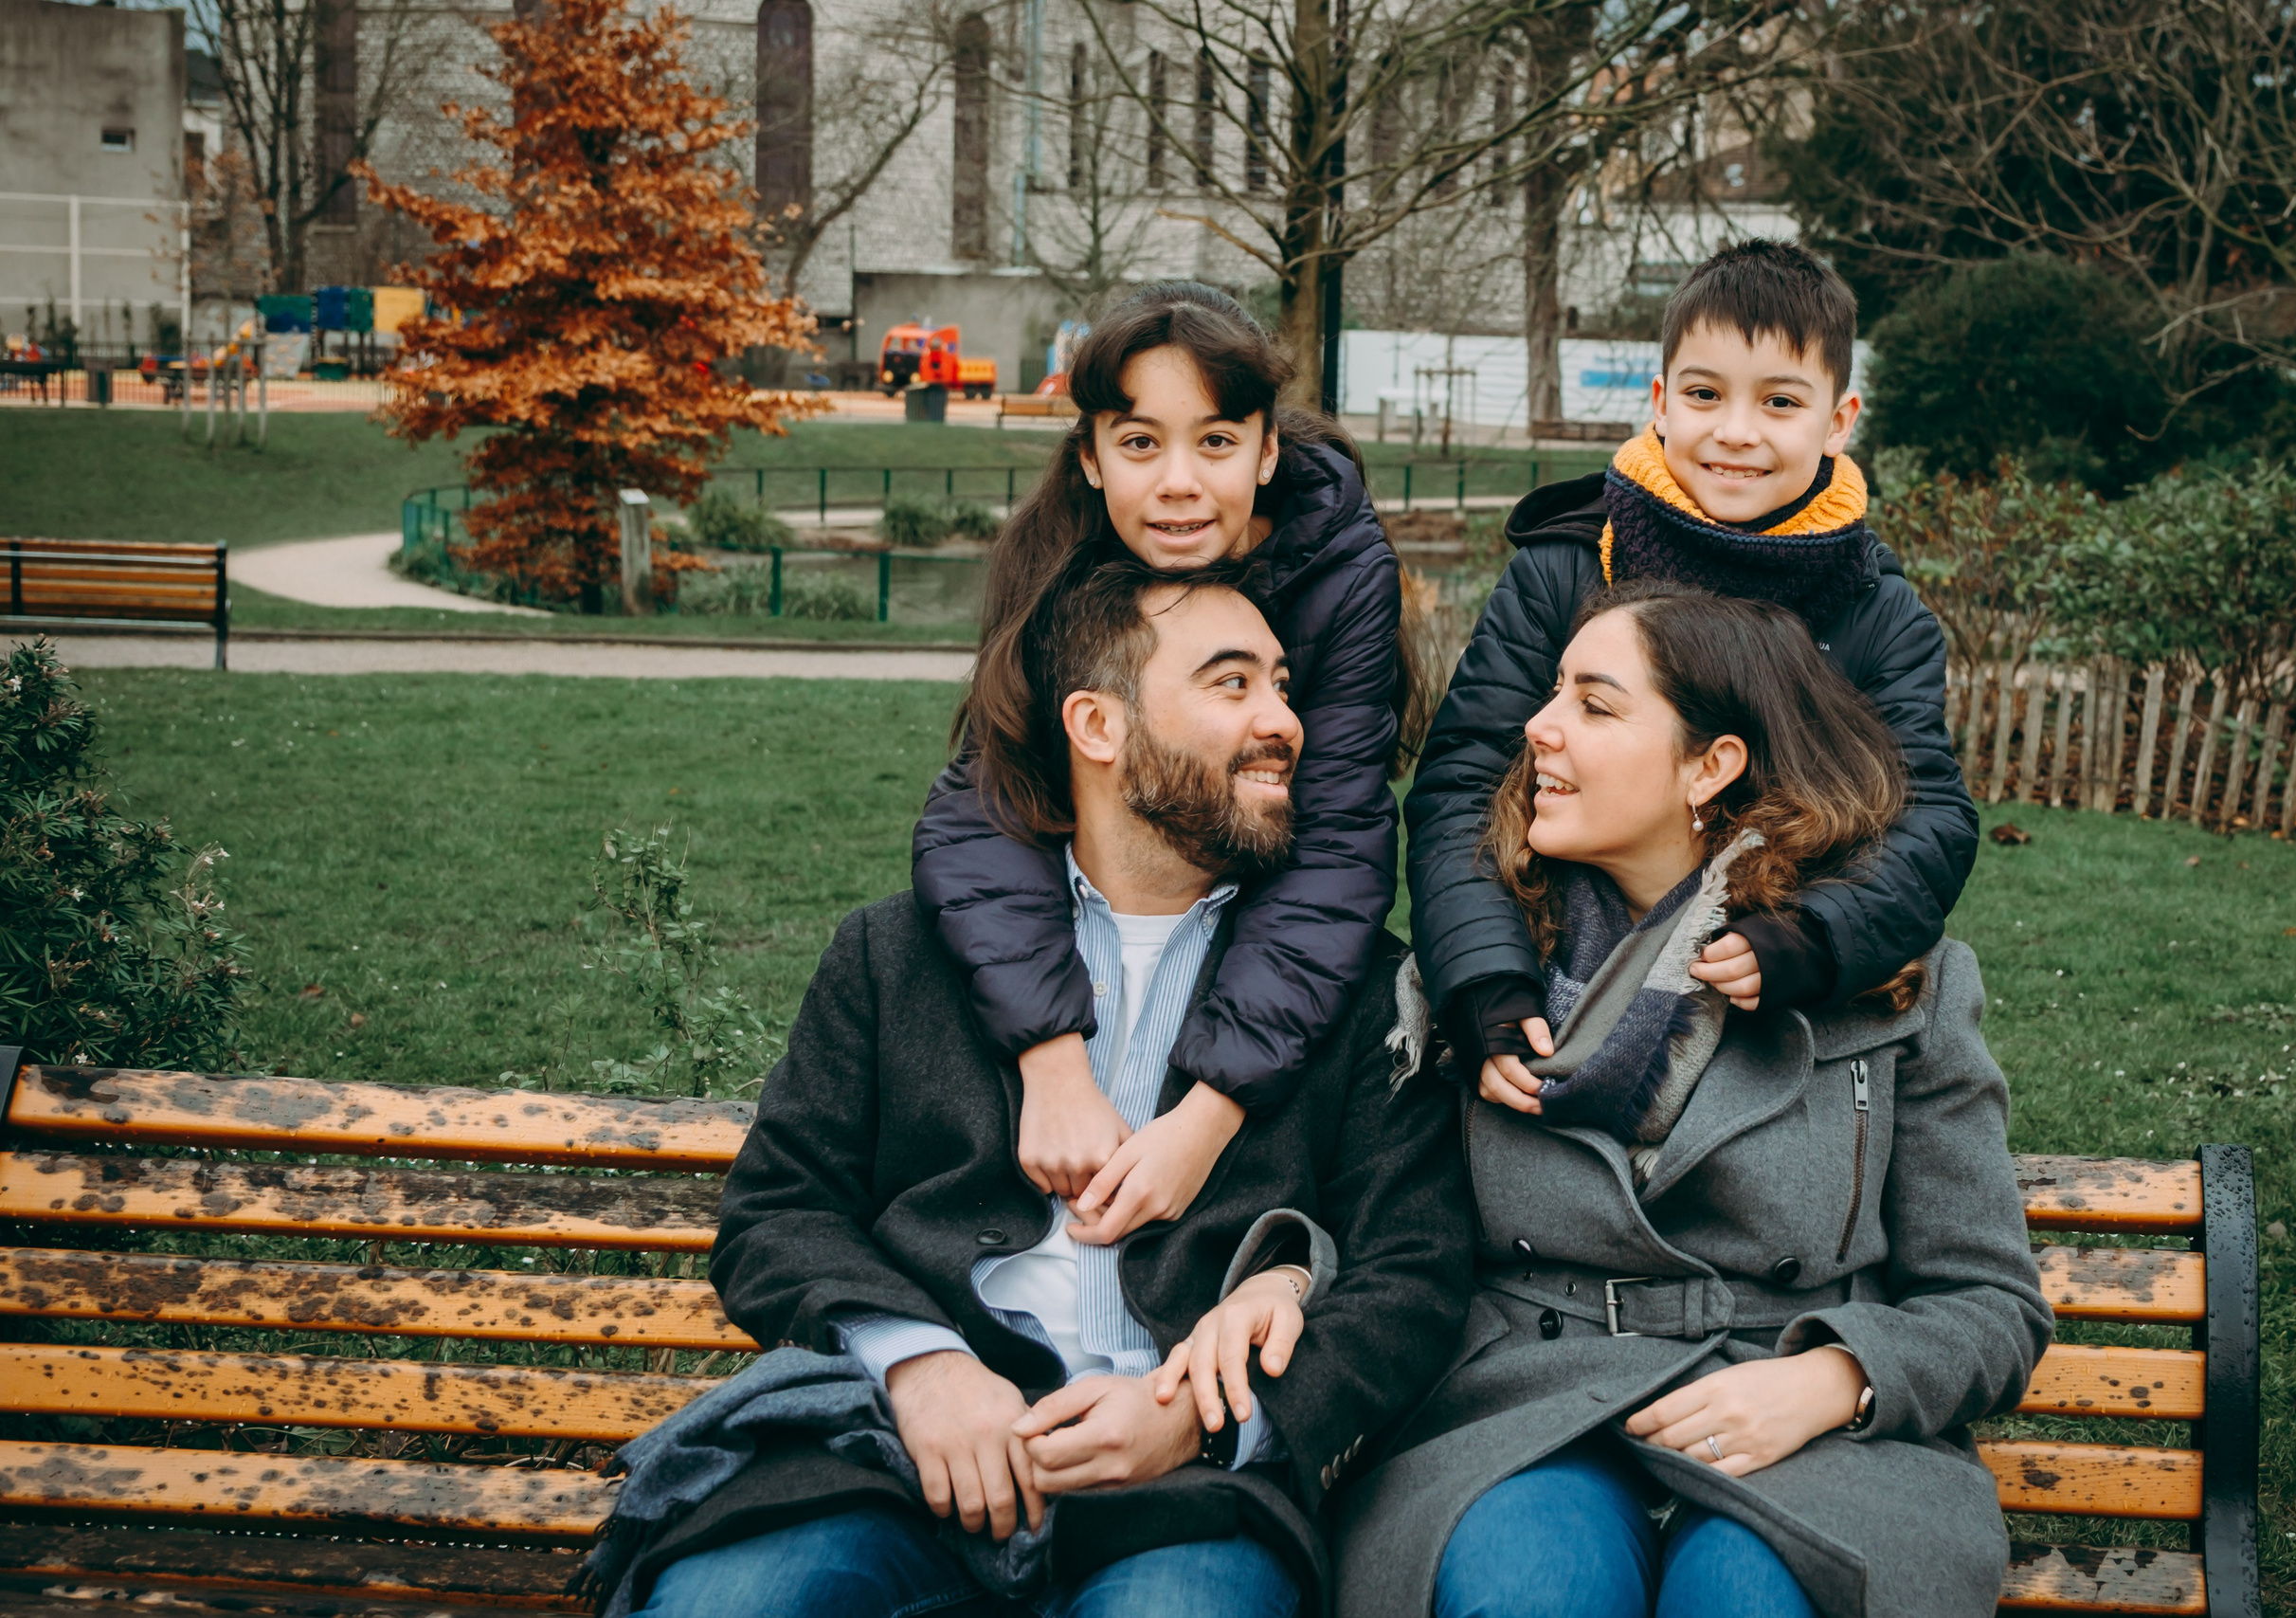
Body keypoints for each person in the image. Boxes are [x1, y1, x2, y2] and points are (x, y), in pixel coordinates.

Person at [620, 555, 1471, 1618]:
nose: (1284, 722)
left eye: (1284, 686)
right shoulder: (902, 956)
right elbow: (776, 1215)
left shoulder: (1350, 989)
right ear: (1097, 727)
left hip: (1187, 1498)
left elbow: (1415, 1271)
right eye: (1232, 683)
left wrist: (1207, 1417)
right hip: (892, 1460)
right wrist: (922, 1369)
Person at [1341, 583, 2052, 1618]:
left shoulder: (1892, 981)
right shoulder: (1478, 978)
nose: (1535, 728)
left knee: (1744, 1603)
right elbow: (1390, 1241)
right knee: (1534, 1595)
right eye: (1550, 694)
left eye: (1593, 704)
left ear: (1709, 766)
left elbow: (1990, 1303)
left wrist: (1833, 1379)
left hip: (1794, 1408)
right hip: (1530, 1405)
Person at [1408, 239, 1977, 1097]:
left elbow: (1927, 819)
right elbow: (1462, 784)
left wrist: (1817, 933)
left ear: (1838, 420)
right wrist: (1485, 973)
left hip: (1771, 996)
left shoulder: (1877, 612)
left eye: (1780, 401)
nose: (1735, 431)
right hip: (1564, 968)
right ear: (1661, 402)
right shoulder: (1566, 569)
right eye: (1706, 394)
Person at [914, 281, 1406, 1254]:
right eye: (1139, 443)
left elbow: (1338, 841)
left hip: (1248, 918)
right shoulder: (1056, 559)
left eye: (1216, 442)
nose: (1178, 482)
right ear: (1091, 458)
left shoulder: (1341, 573)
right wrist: (1051, 1065)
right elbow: (986, 805)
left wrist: (1209, 1114)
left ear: (1268, 450)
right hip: (1108, 905)